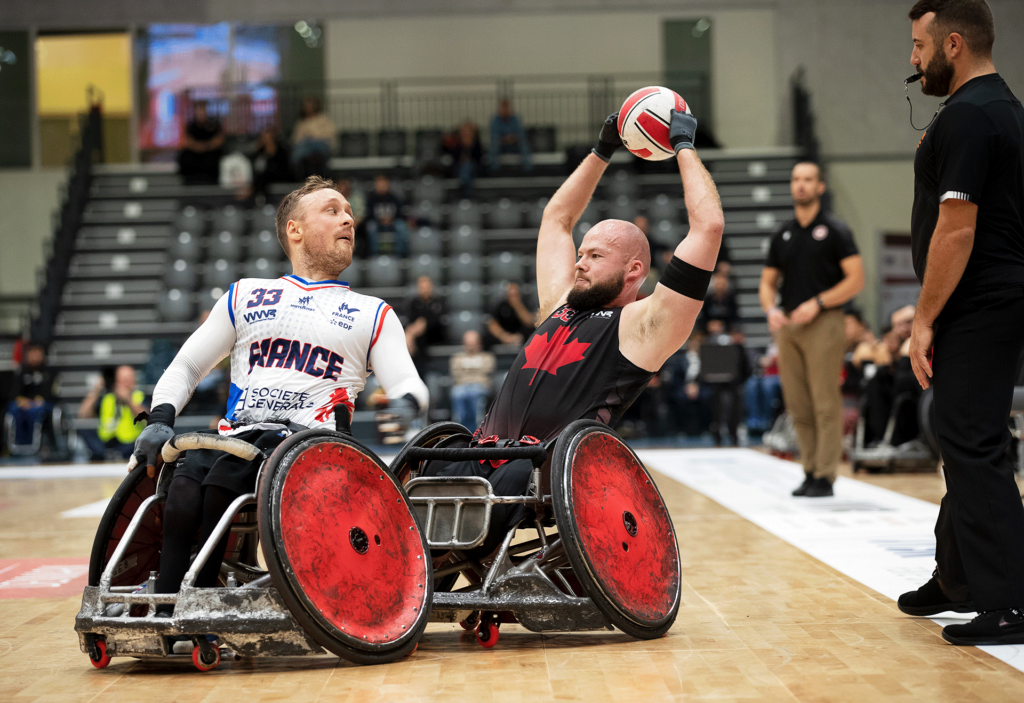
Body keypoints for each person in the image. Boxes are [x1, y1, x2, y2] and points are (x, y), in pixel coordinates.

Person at [424, 107, 723, 552]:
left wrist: (683, 147)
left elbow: (708, 226)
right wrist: (601, 150)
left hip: (538, 468)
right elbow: (557, 218)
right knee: (419, 472)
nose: (580, 262)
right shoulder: (560, 304)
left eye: (596, 257)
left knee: (478, 508)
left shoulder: (643, 326)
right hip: (479, 452)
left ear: (633, 270)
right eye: (581, 253)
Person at [128, 176, 428, 614]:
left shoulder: (372, 312)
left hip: (311, 450)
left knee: (222, 482)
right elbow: (188, 365)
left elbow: (407, 382)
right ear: (295, 229)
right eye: (332, 210)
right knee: (188, 474)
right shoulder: (246, 294)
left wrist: (406, 403)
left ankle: (202, 602)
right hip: (239, 438)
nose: (349, 217)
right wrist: (159, 418)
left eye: (349, 212)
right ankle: (168, 599)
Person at [897, 0, 1024, 646]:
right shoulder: (1000, 108)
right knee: (964, 434)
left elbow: (958, 227)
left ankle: (1009, 600)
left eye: (919, 47)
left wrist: (923, 318)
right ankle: (957, 576)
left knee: (973, 443)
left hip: (977, 304)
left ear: (953, 44)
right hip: (988, 299)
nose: (913, 61)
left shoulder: (971, 117)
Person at [759, 161, 864, 497]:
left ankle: (826, 474)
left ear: (820, 187)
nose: (801, 185)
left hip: (824, 322)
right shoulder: (783, 233)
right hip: (789, 325)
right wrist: (770, 308)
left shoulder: (835, 231)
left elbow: (856, 280)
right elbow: (767, 282)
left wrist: (818, 303)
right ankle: (809, 470)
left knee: (824, 399)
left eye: (808, 180)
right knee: (797, 403)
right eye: (796, 179)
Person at [78, 366, 147, 461]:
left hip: (131, 444)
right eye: (122, 380)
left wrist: (129, 400)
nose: (125, 384)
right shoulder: (107, 398)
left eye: (128, 380)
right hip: (106, 442)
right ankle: (105, 455)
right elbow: (83, 415)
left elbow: (148, 420)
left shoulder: (139, 396)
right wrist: (95, 391)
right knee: (85, 431)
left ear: (134, 381)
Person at [6, 343, 57, 452]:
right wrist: (22, 400)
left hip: (42, 404)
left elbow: (50, 392)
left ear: (43, 355)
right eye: (32, 353)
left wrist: (38, 401)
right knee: (14, 409)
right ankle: (19, 444)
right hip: (23, 404)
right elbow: (14, 393)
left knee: (35, 412)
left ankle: (33, 445)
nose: (35, 356)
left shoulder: (49, 372)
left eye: (37, 353)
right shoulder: (21, 371)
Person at [449, 330, 495, 429]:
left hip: (480, 387)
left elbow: (487, 371)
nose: (471, 347)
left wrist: (466, 368)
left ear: (479, 344)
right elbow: (456, 373)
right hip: (462, 386)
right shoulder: (456, 358)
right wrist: (476, 369)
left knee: (475, 392)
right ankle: (458, 427)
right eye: (468, 344)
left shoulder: (487, 357)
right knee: (458, 393)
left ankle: (479, 427)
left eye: (473, 344)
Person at [404, 275, 448, 373]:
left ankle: (413, 366)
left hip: (435, 333)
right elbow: (409, 320)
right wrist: (417, 327)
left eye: (426, 287)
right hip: (418, 334)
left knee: (411, 335)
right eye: (422, 287)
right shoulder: (414, 302)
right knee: (413, 334)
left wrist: (424, 324)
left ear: (431, 287)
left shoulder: (439, 302)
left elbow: (440, 320)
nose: (424, 289)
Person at [177, 101, 224, 184]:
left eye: (203, 111)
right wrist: (198, 147)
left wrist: (205, 146)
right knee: (185, 157)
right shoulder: (191, 126)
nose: (201, 113)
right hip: (195, 154)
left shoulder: (215, 125)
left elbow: (218, 141)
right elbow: (187, 141)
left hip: (210, 153)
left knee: (214, 159)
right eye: (199, 111)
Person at [290, 96, 336, 180]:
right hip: (305, 147)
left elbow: (330, 134)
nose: (308, 108)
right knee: (301, 148)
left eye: (310, 105)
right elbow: (295, 139)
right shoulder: (301, 122)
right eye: (306, 106)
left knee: (308, 146)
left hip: (320, 145)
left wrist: (313, 135)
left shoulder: (323, 119)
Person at [365, 174, 409, 256]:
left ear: (387, 184)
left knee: (402, 226)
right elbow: (368, 215)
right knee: (371, 227)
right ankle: (374, 255)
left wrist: (391, 220)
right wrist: (380, 220)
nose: (381, 186)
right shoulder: (371, 199)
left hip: (393, 222)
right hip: (377, 223)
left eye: (383, 184)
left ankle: (399, 255)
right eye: (379, 184)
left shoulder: (395, 198)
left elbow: (400, 214)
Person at [485, 281, 534, 347]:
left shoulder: (526, 303)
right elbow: (492, 323)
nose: (513, 297)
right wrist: (505, 337)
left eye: (515, 295)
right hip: (504, 337)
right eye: (511, 295)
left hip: (522, 337)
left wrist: (517, 305)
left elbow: (529, 322)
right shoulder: (500, 304)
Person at [489, 99, 532, 172]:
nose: (505, 111)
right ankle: (493, 170)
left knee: (524, 144)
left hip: (514, 146)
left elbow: (520, 134)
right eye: (503, 109)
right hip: (501, 147)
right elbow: (495, 136)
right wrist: (507, 139)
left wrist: (509, 139)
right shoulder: (495, 120)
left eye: (507, 108)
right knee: (494, 144)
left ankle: (528, 169)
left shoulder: (515, 119)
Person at [444, 121, 484, 197]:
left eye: (469, 131)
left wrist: (470, 146)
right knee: (465, 167)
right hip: (458, 169)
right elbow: (451, 155)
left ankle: (464, 187)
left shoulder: (476, 144)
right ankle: (466, 189)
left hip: (474, 170)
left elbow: (479, 158)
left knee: (468, 166)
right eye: (465, 131)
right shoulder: (457, 144)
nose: (467, 133)